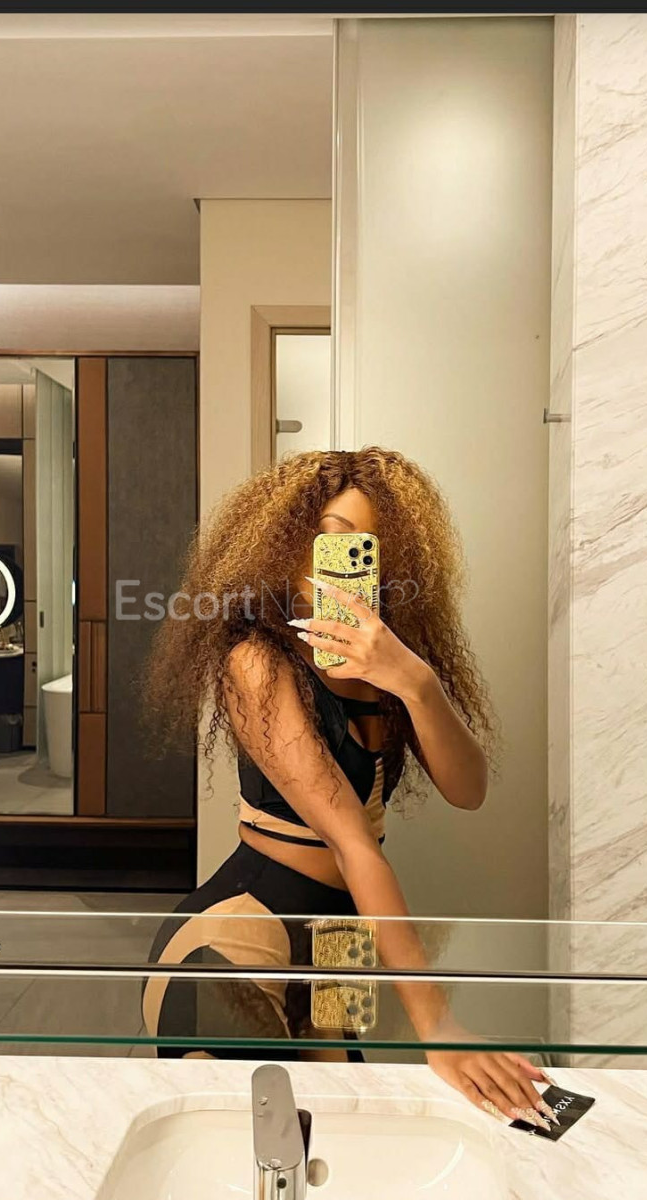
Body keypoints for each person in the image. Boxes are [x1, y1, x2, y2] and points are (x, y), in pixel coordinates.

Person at [141, 446, 556, 1129]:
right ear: (283, 549)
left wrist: (415, 683)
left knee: (346, 1129)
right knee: (250, 1146)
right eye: (331, 544)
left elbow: (469, 789)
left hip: (340, 935)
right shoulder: (256, 660)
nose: (348, 566)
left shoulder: (386, 662)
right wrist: (438, 1026)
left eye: (368, 550)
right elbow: (351, 843)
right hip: (241, 941)